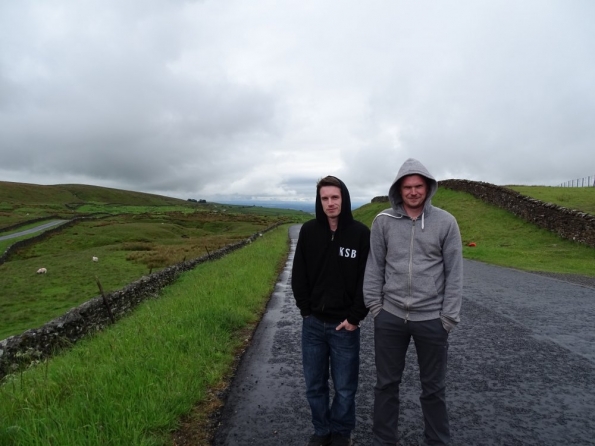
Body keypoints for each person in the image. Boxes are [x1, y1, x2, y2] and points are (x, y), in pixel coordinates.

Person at [363, 158, 463, 446]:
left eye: (419, 186)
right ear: (398, 189)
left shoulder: (445, 222)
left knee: (433, 389)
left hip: (432, 320)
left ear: (428, 188)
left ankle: (437, 441)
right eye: (407, 187)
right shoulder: (383, 221)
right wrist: (376, 308)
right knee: (385, 385)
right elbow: (375, 266)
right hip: (390, 316)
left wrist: (448, 318)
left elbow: (454, 272)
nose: (413, 191)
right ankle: (384, 440)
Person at [292, 175, 371, 446]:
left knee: (346, 388)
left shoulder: (360, 234)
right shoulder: (309, 231)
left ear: (344, 198)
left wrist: (354, 317)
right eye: (324, 198)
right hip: (313, 324)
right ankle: (321, 429)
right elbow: (298, 274)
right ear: (319, 201)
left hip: (344, 326)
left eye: (334, 197)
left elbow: (367, 280)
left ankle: (341, 433)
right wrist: (305, 311)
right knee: (315, 385)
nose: (330, 203)